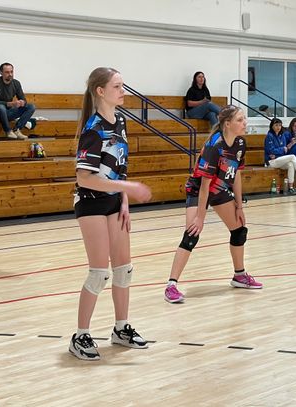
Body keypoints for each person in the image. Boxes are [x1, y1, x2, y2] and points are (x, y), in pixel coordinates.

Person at [68, 67, 152, 361]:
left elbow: (119, 166)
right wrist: (126, 187)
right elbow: (84, 178)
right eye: (117, 86)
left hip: (114, 202)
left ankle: (121, 328)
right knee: (98, 273)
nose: (123, 91)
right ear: (101, 91)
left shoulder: (120, 121)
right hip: (91, 202)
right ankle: (80, 335)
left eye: (123, 85)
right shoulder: (93, 129)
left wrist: (124, 199)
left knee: (124, 269)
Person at [164, 105, 263, 304]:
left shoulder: (240, 143)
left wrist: (239, 206)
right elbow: (204, 186)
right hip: (199, 189)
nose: (245, 123)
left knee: (239, 230)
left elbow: (236, 175)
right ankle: (171, 286)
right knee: (191, 234)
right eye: (240, 120)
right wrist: (200, 217)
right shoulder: (214, 146)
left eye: (244, 119)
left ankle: (239, 275)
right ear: (227, 124)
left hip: (219, 189)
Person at [264, 118, 296, 194]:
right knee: (292, 157)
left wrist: (279, 152)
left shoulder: (282, 136)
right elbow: (271, 150)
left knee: (291, 164)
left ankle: (291, 187)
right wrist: (282, 150)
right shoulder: (269, 136)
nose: (278, 127)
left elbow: (285, 150)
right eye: (276, 125)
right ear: (272, 126)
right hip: (271, 161)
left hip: (279, 159)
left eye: (280, 125)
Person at [0, 62, 35, 140]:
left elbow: (23, 99)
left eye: (11, 72)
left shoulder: (16, 83)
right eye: (7, 72)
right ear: (1, 73)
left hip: (10, 112)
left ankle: (17, 129)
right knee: (0, 107)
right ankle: (8, 131)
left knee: (31, 106)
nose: (10, 74)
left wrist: (22, 102)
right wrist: (12, 104)